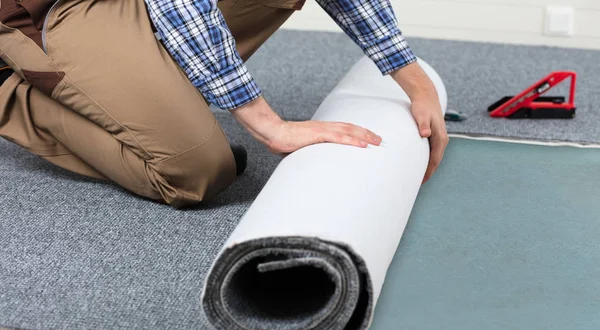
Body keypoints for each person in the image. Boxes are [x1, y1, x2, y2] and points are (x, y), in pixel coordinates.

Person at [0, 0, 448, 209]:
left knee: (173, 111)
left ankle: (140, 87)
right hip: (47, 11)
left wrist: (412, 79)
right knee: (196, 171)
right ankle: (12, 95)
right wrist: (271, 126)